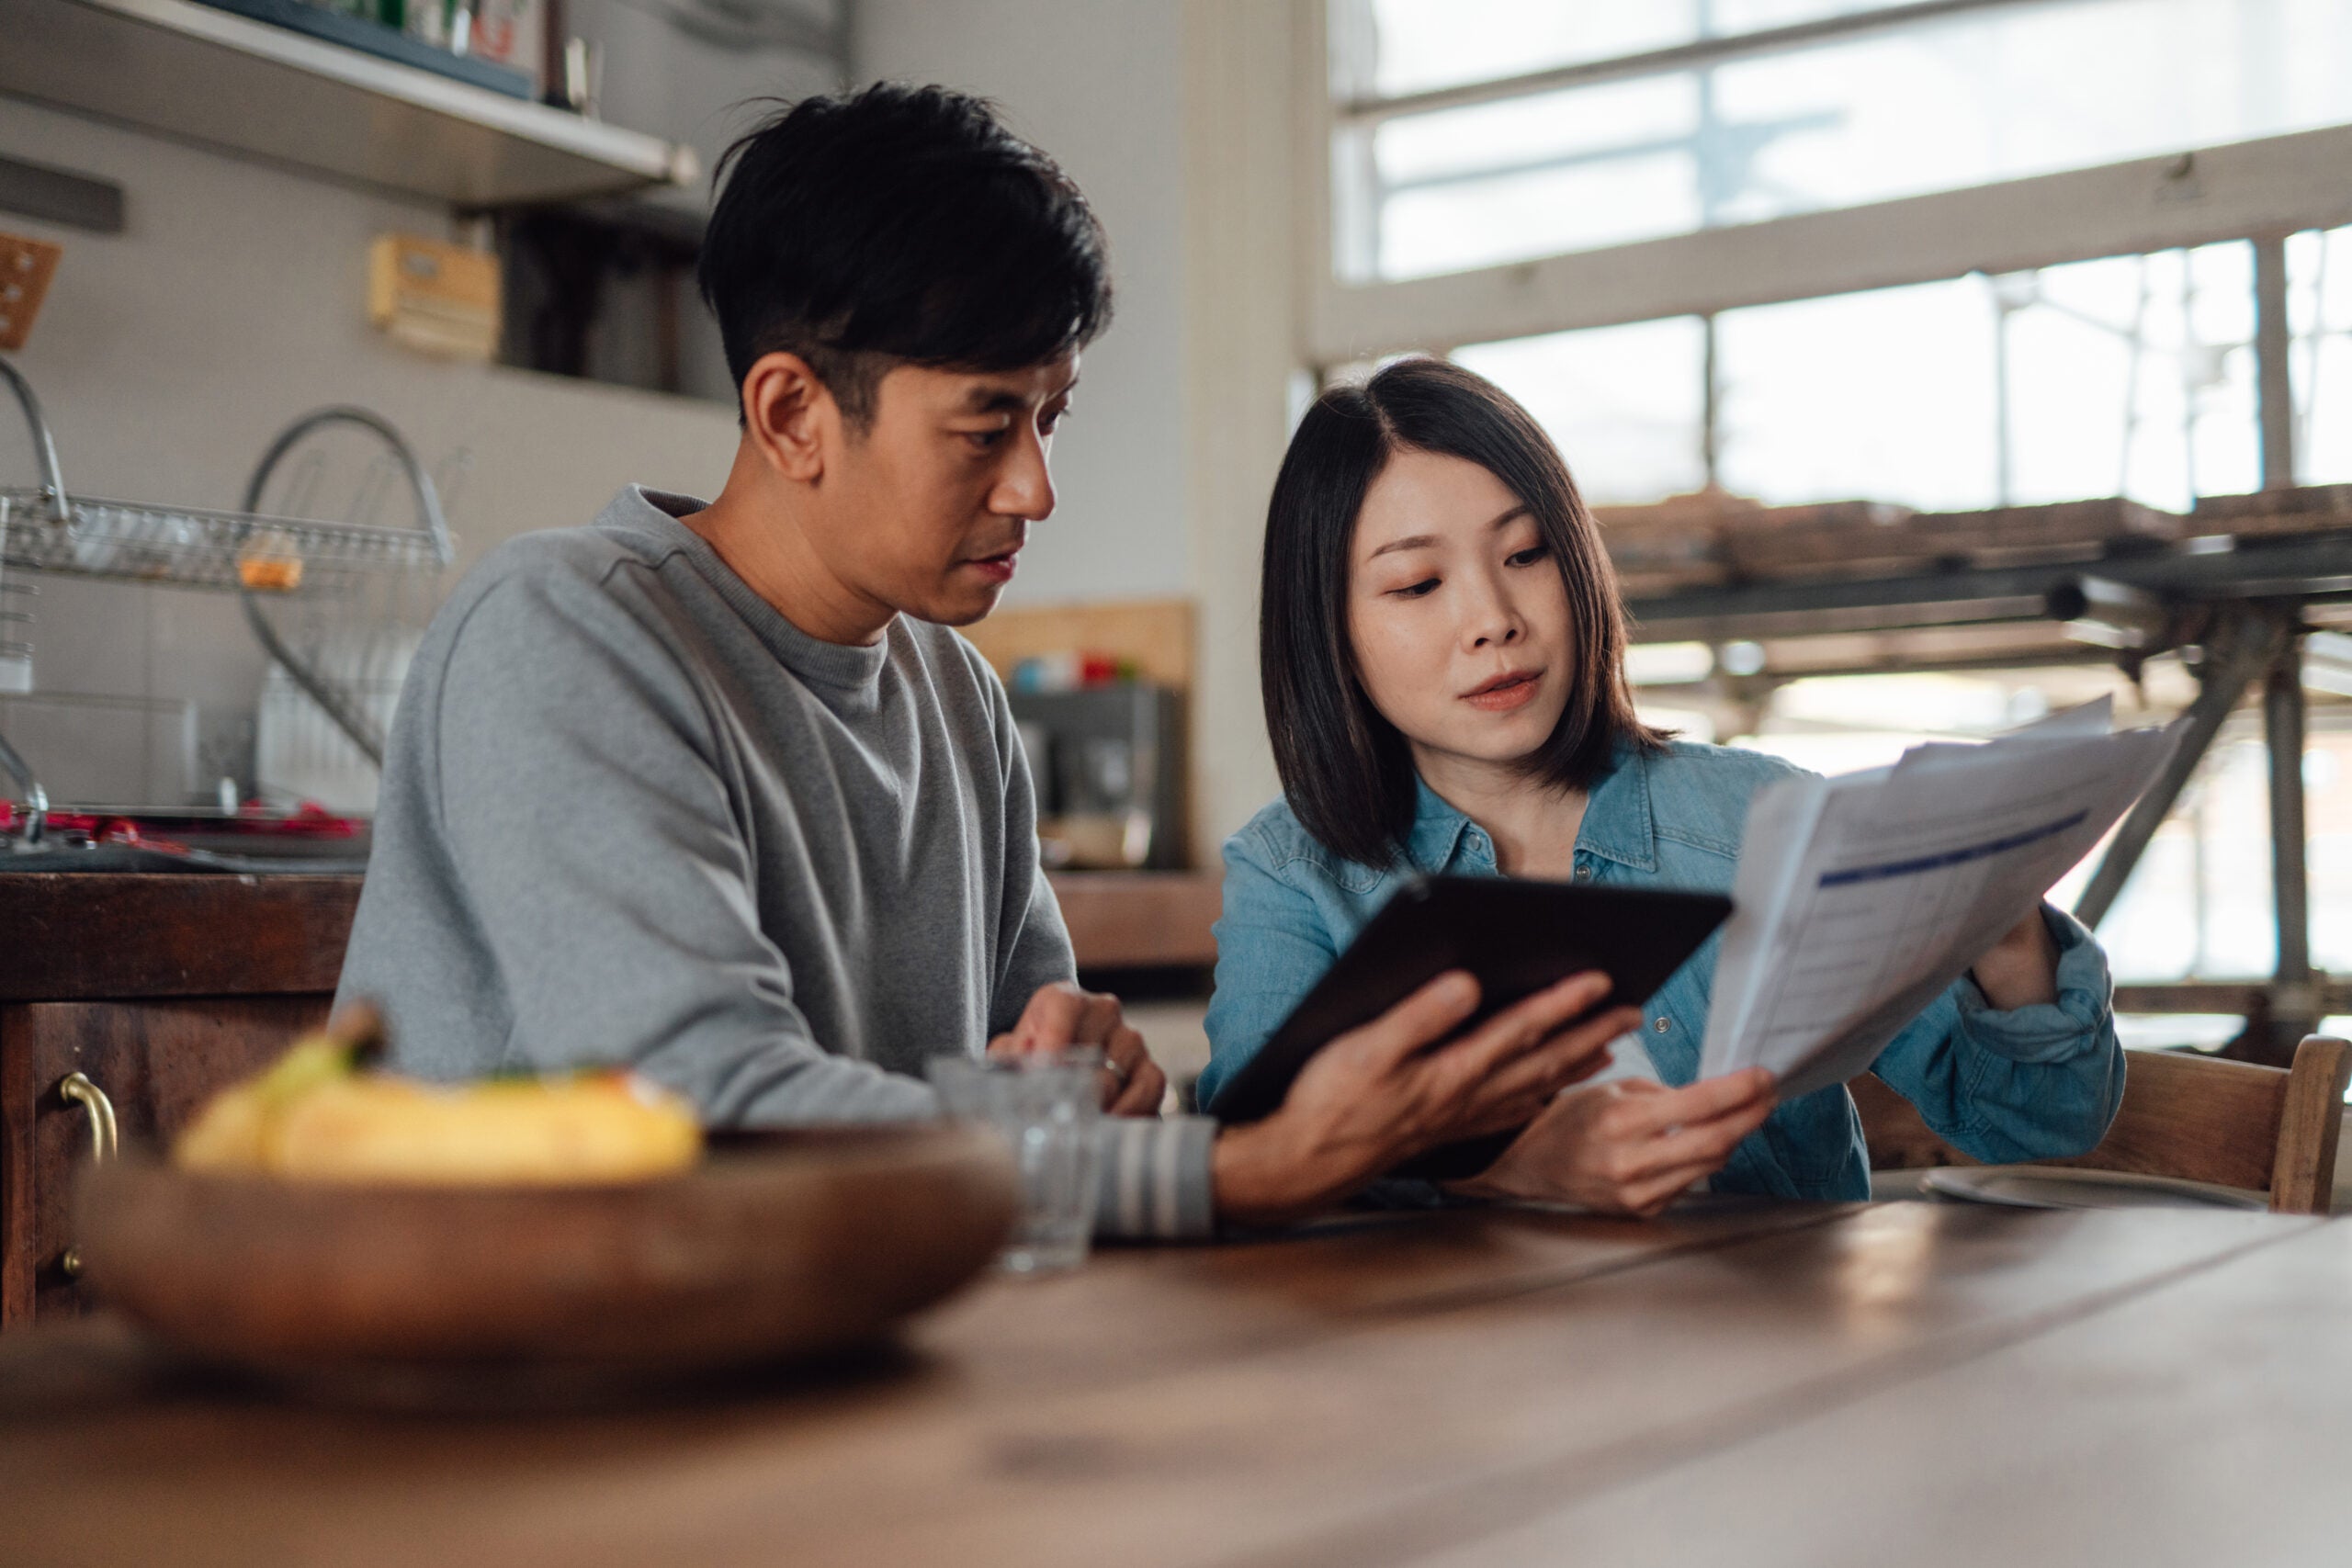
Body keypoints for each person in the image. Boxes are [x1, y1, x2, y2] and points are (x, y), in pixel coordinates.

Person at [335, 85, 1627, 1237]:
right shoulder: (563, 628)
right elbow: (707, 1109)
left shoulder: (954, 695)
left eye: (1052, 415)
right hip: (525, 1404)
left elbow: (1038, 1075)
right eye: (987, 423)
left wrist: (1093, 1077)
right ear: (793, 413)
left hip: (825, 1363)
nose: (1037, 487)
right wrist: (1236, 1170)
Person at [1198, 356, 2126, 1214]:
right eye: (1415, 584)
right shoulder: (1294, 876)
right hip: (1459, 1376)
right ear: (1327, 631)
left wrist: (2003, 933)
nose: (1492, 619)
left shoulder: (1760, 823)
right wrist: (1511, 1170)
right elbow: (1254, 1178)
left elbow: (2037, 1126)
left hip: (1782, 1355)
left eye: (1526, 555)